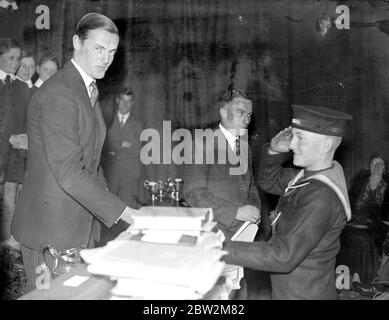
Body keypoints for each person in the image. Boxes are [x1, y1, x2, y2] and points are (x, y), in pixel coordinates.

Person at [11, 13, 135, 293]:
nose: (106, 58)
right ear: (77, 43)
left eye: (112, 52)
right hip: (50, 233)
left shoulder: (86, 89)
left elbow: (90, 163)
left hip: (76, 226)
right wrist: (126, 214)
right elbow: (69, 172)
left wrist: (118, 210)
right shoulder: (60, 93)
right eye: (99, 49)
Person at [223, 104, 353, 300]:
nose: (292, 145)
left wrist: (219, 249)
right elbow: (270, 181)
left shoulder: (321, 196)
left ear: (326, 145)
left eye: (300, 138)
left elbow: (282, 255)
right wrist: (274, 151)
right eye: (293, 136)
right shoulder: (308, 177)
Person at [183, 89, 261, 239]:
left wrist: (255, 210)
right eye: (241, 113)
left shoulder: (245, 146)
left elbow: (250, 186)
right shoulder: (202, 144)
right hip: (214, 232)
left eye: (249, 115)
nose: (246, 120)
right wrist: (236, 212)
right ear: (224, 113)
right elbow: (193, 193)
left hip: (244, 231)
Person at [337, 153, 389, 295]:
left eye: (381, 164)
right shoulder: (359, 183)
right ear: (369, 167)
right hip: (354, 220)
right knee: (347, 235)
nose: (377, 166)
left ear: (385, 169)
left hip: (376, 224)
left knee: (364, 239)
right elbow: (347, 202)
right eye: (374, 163)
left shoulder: (388, 187)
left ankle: (359, 278)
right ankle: (349, 277)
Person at [98, 87, 144, 245]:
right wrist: (122, 144)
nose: (125, 105)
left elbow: (137, 149)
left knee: (130, 218)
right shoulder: (107, 120)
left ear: (133, 104)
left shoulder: (138, 124)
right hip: (110, 174)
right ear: (117, 100)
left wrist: (114, 148)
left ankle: (129, 251)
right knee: (109, 216)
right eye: (122, 100)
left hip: (129, 175)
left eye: (129, 102)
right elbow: (104, 145)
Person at [0, 37, 29, 251]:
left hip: (16, 152)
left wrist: (24, 137)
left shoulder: (20, 86)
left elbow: (24, 116)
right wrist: (8, 137)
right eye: (11, 57)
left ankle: (9, 244)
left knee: (11, 196)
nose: (16, 62)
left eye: (18, 58)